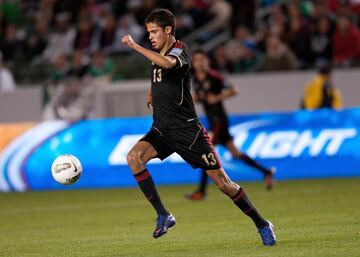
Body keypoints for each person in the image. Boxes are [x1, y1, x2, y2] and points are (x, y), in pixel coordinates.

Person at [121, 8, 276, 246]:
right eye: (148, 32)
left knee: (224, 184)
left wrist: (135, 47)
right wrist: (152, 91)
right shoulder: (157, 53)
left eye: (154, 32)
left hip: (188, 132)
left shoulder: (180, 50)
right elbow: (160, 73)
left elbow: (168, 65)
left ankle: (262, 224)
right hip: (162, 129)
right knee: (134, 157)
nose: (150, 37)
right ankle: (163, 214)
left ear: (168, 30)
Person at [186, 49, 275, 201]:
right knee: (235, 153)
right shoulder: (195, 78)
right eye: (196, 60)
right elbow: (203, 97)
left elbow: (234, 90)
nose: (199, 63)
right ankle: (266, 172)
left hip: (219, 119)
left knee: (206, 152)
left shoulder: (214, 76)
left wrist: (218, 97)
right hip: (212, 120)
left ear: (207, 61)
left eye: (202, 60)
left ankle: (201, 191)